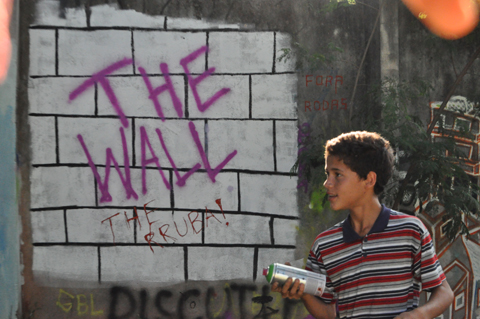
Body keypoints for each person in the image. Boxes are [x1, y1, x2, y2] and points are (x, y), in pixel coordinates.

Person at [271, 131, 454, 319]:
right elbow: (330, 313)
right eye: (328, 174)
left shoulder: (410, 231)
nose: (327, 183)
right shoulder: (324, 245)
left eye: (337, 175)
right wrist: (304, 294)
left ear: (369, 180)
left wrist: (418, 315)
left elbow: (444, 292)